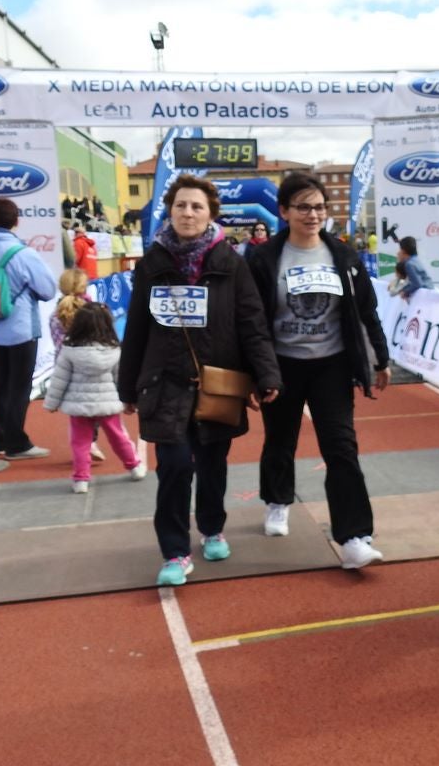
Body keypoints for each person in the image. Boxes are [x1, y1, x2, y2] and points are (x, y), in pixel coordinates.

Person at [119, 175, 281, 586]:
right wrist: (126, 386)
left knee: (212, 464)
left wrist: (265, 374)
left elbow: (252, 324)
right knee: (173, 466)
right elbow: (136, 327)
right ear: (169, 212)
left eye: (196, 207)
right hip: (165, 382)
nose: (187, 213)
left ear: (210, 214)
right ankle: (174, 551)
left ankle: (212, 527)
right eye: (180, 206)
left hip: (218, 383)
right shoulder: (151, 265)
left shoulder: (232, 263)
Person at [247, 173, 391, 567]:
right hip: (282, 365)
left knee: (342, 447)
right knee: (280, 439)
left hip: (332, 365)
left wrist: (380, 357)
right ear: (284, 211)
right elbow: (253, 320)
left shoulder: (344, 256)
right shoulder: (263, 258)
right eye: (304, 207)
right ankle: (278, 500)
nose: (313, 215)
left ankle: (354, 537)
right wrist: (256, 373)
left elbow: (366, 310)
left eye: (319, 207)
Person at [0, 197, 59, 460]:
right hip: (21, 329)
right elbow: (48, 290)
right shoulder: (24, 254)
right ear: (17, 221)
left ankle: (0, 439)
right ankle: (17, 443)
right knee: (19, 386)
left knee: (1, 384)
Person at [42, 303, 146, 493]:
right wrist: (128, 399)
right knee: (118, 436)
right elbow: (119, 379)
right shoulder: (115, 350)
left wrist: (51, 403)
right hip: (108, 404)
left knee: (80, 442)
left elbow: (60, 378)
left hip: (79, 405)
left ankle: (81, 479)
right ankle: (134, 466)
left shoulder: (69, 350)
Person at [50, 267, 105, 462]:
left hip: (66, 367)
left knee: (77, 412)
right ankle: (89, 442)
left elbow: (58, 343)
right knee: (97, 407)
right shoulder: (93, 311)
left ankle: (85, 444)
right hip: (90, 365)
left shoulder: (57, 314)